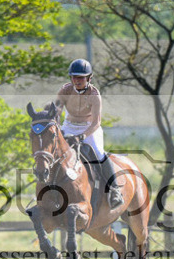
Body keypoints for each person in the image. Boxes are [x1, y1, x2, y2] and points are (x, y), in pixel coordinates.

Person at [52, 58, 123, 209]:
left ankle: (115, 189)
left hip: (89, 127)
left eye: (80, 77)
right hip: (69, 125)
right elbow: (57, 112)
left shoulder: (94, 95)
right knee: (54, 150)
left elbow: (96, 122)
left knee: (99, 153)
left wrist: (82, 136)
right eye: (74, 77)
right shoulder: (65, 90)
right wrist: (56, 127)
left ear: (89, 78)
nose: (76, 80)